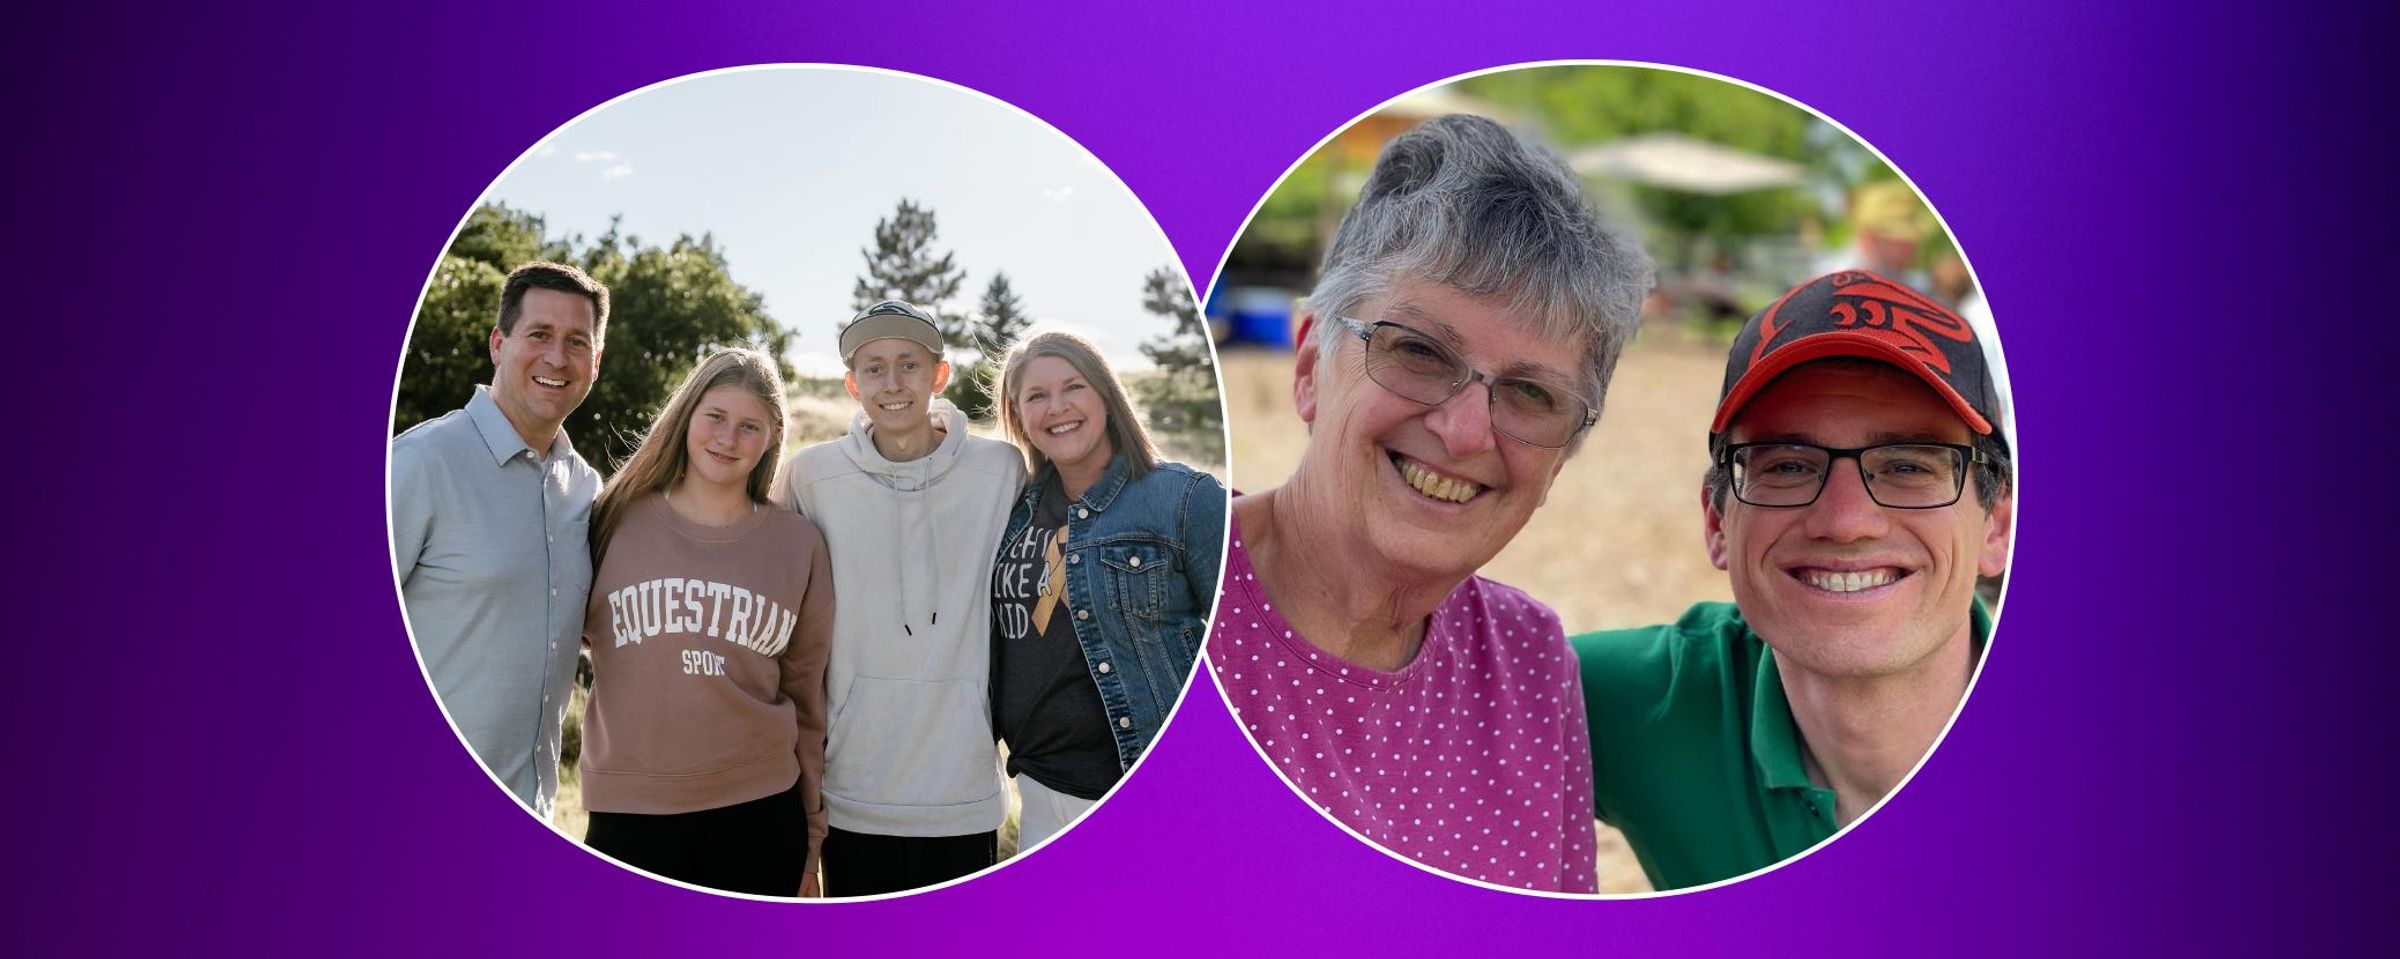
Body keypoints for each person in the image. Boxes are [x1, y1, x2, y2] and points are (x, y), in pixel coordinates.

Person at [1208, 114, 1652, 893]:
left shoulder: (1531, 664)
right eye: (1417, 350)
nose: (1465, 429)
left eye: (1531, 394)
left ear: (1563, 458)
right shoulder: (1158, 592)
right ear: (1311, 364)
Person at [1573, 270, 2015, 890]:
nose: (1845, 522)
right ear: (1717, 521)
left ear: (1996, 527)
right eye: (1786, 464)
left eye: (1909, 465)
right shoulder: (1638, 703)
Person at [774, 300, 1026, 896]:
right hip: (855, 787)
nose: (892, 383)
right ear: (852, 383)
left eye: (909, 364)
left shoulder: (1001, 470)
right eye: (874, 367)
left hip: (962, 789)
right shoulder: (813, 476)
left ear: (939, 376)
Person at [576, 349, 834, 897]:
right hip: (629, 809)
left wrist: (812, 835)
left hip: (760, 810)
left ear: (771, 438)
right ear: (687, 415)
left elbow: (807, 696)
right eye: (715, 417)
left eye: (749, 427)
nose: (728, 438)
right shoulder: (611, 518)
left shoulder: (798, 544)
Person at [990, 331, 1225, 849]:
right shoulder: (1010, 510)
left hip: (1138, 785)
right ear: (1018, 414)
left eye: (1073, 387)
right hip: (1040, 789)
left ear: (1105, 394)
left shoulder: (1183, 499)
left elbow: (1242, 651)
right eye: (1036, 396)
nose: (1057, 408)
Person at [392, 261, 608, 817]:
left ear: (596, 361)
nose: (557, 358)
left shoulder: (584, 489)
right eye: (539, 334)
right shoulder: (420, 464)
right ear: (497, 343)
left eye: (576, 342)